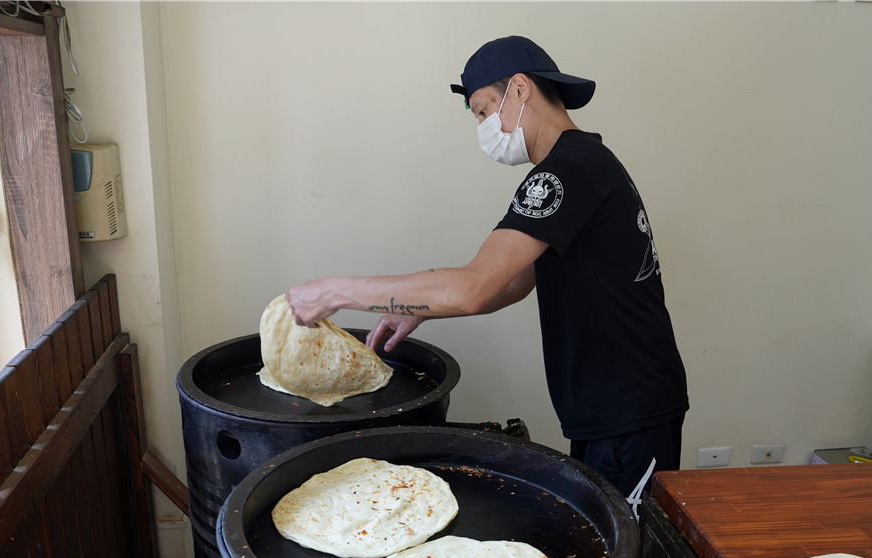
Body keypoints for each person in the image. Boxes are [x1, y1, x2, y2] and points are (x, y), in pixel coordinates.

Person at [285, 36, 688, 497]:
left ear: (520, 90)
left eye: (482, 111)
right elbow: (512, 282)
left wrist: (335, 292)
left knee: (631, 555)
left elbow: (474, 286)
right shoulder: (582, 163)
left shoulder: (563, 175)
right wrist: (420, 306)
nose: (482, 126)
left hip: (628, 409)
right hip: (614, 404)